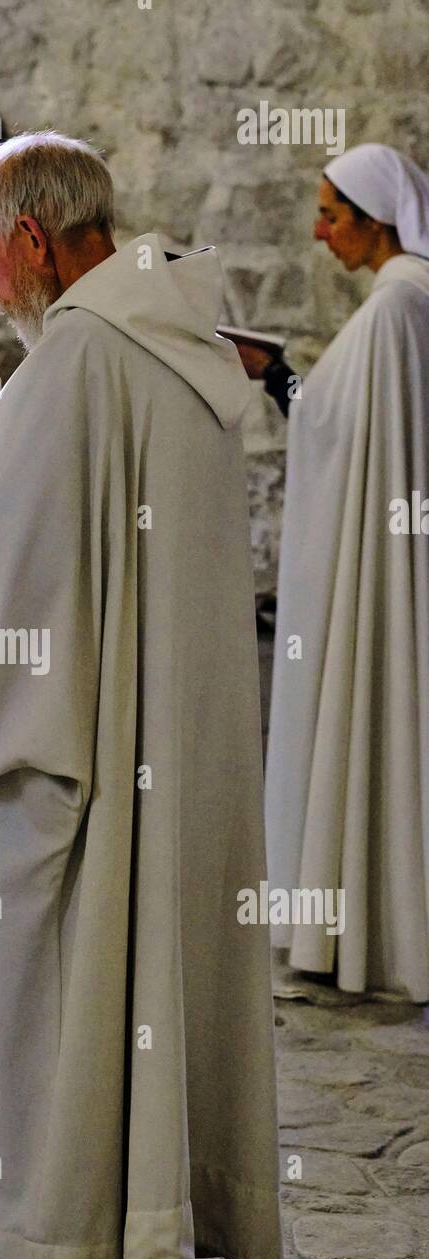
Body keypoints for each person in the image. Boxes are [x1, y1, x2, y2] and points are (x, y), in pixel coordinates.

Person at [0, 132, 282, 1259]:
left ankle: (34, 1246)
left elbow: (5, 587)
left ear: (31, 237)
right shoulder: (185, 336)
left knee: (31, 1013)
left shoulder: (82, 357)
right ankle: (137, 1222)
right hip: (158, 748)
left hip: (63, 767)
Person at [257, 144, 429, 1001]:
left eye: (332, 215)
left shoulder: (395, 308)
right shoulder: (414, 300)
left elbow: (332, 433)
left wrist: (275, 376)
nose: (321, 232)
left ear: (376, 220)